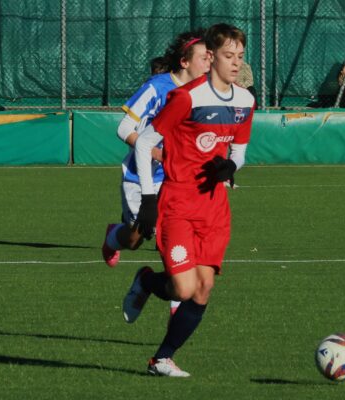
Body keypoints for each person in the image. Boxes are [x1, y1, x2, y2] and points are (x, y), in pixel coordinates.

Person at [123, 23, 255, 378]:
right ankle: (148, 281)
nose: (235, 63)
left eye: (240, 57)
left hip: (214, 209)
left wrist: (230, 166)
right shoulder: (186, 98)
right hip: (178, 205)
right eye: (229, 56)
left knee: (204, 288)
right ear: (210, 57)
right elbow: (146, 142)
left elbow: (240, 152)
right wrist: (149, 199)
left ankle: (161, 359)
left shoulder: (245, 101)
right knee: (182, 287)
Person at [102, 30, 210, 266]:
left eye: (211, 58)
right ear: (184, 61)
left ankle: (178, 300)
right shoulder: (157, 88)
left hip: (176, 177)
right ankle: (114, 236)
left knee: (175, 235)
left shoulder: (204, 92)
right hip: (141, 175)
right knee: (134, 239)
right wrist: (157, 153)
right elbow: (124, 128)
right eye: (204, 58)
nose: (209, 64)